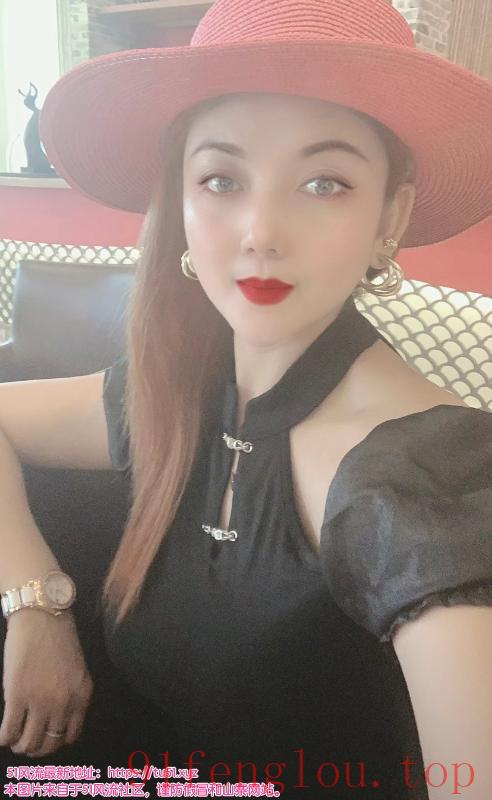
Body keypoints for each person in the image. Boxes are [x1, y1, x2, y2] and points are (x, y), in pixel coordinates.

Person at [1, 0, 492, 797]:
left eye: (325, 182)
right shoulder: (176, 394)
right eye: (222, 179)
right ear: (181, 200)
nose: (261, 230)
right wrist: (36, 604)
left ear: (390, 215)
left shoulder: (423, 479)